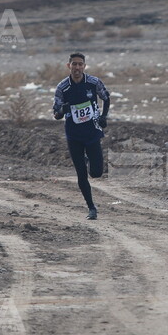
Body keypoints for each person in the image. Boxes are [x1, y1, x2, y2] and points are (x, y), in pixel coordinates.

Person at [53, 53, 110, 220]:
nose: (77, 68)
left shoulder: (93, 82)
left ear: (84, 66)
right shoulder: (62, 87)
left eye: (80, 64)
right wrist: (62, 111)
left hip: (92, 132)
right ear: (68, 66)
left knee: (97, 173)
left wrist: (104, 116)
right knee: (81, 174)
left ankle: (88, 159)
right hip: (74, 135)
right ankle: (91, 207)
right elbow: (56, 114)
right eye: (74, 64)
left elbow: (106, 98)